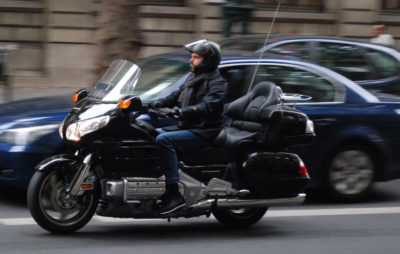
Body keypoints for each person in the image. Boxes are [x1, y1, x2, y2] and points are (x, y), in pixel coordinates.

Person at [148, 39, 227, 215]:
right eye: (192, 57)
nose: (191, 60)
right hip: (188, 127)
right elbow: (175, 95)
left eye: (196, 57)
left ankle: (174, 194)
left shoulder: (218, 83)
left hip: (203, 131)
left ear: (208, 60)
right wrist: (153, 103)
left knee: (164, 140)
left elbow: (207, 106)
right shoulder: (194, 77)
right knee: (148, 134)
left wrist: (179, 112)